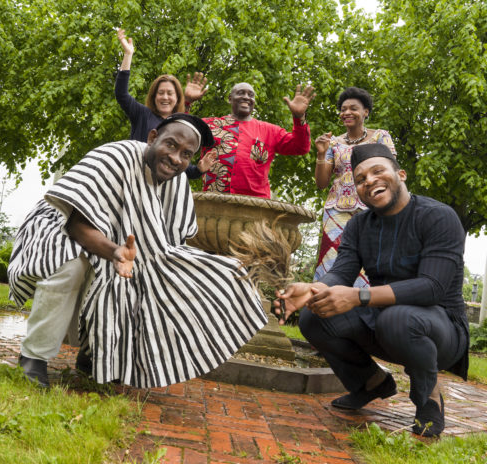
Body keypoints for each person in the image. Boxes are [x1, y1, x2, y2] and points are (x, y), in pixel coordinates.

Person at [8, 113, 268, 389]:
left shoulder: (177, 182)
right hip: (58, 227)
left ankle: (93, 356)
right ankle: (33, 358)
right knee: (73, 264)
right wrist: (117, 253)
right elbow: (76, 226)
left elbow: (167, 245)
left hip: (122, 247)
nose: (176, 159)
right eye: (171, 145)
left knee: (142, 280)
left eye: (186, 154)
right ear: (153, 137)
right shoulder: (113, 156)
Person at [274, 143, 468, 438]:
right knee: (315, 318)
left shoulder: (438, 217)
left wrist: (358, 296)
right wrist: (314, 289)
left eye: (378, 171)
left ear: (400, 174)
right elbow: (342, 272)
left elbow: (432, 287)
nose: (369, 181)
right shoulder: (360, 225)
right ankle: (371, 383)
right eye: (361, 179)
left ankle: (428, 396)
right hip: (385, 320)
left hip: (441, 329)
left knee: (398, 318)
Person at [313, 87, 396, 286]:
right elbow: (321, 183)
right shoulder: (333, 143)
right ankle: (326, 306)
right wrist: (321, 154)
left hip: (370, 208)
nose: (347, 113)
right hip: (336, 212)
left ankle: (364, 309)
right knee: (333, 262)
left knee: (367, 262)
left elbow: (391, 173)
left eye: (353, 108)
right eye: (343, 109)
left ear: (366, 112)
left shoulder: (380, 137)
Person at [115, 28, 217, 179]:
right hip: (135, 180)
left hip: (160, 190)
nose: (165, 97)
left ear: (177, 98)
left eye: (170, 93)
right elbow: (121, 94)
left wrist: (199, 170)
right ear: (154, 96)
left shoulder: (179, 125)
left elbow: (180, 167)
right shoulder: (142, 114)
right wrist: (128, 55)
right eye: (160, 92)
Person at [200, 82, 315, 198]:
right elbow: (182, 133)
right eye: (241, 93)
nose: (246, 97)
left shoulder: (270, 131)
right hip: (213, 201)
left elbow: (301, 147)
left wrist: (299, 117)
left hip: (256, 206)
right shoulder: (208, 125)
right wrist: (186, 102)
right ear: (230, 99)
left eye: (251, 95)